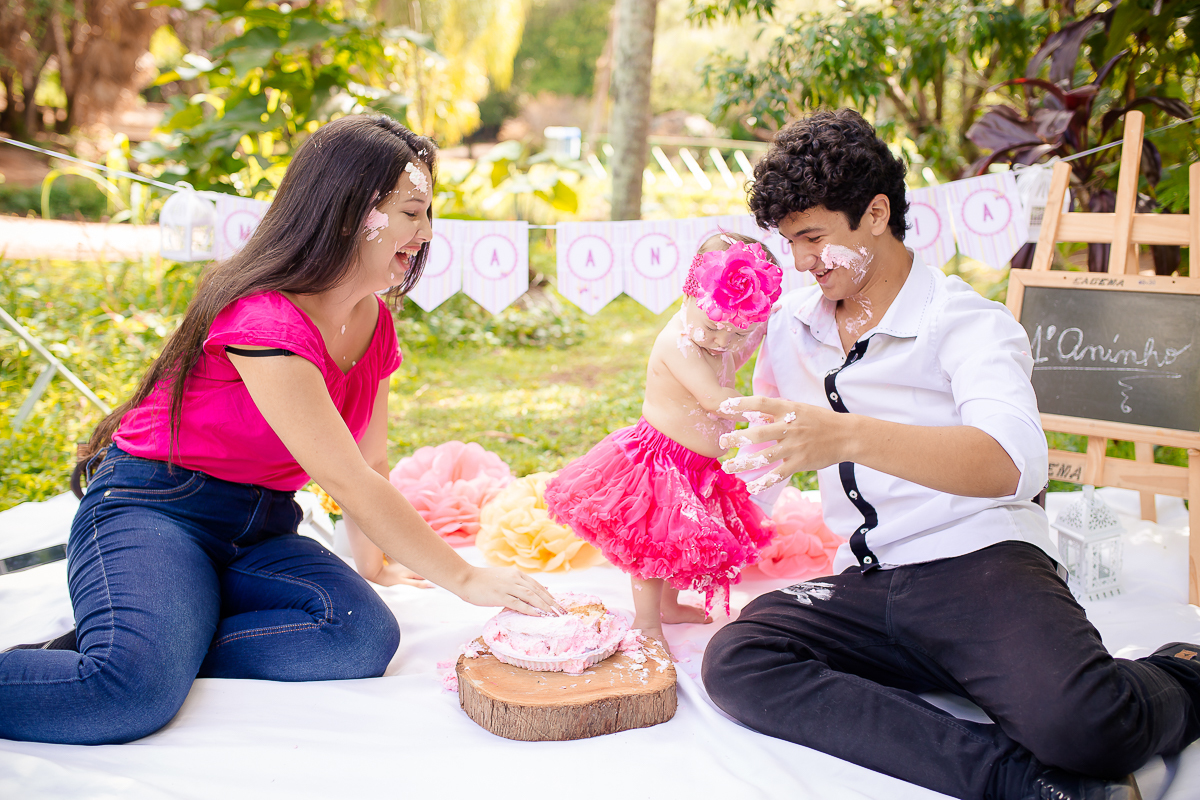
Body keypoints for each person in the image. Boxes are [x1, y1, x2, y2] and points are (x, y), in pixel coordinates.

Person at [0, 114, 562, 746]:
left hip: (259, 527)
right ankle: (140, 656)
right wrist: (465, 577)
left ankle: (162, 641)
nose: (425, 233)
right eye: (410, 212)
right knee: (127, 695)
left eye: (428, 213)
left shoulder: (374, 323)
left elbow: (371, 463)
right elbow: (345, 478)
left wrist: (374, 566)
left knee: (359, 635)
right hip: (157, 510)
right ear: (350, 212)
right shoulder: (265, 320)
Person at [701, 108, 1200, 800]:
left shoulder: (968, 325)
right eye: (790, 242)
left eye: (813, 236)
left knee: (1085, 727)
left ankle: (1180, 672)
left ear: (876, 214)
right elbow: (762, 448)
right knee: (738, 659)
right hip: (867, 583)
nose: (802, 262)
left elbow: (1012, 462)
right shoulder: (793, 328)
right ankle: (1026, 785)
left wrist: (846, 435)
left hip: (982, 567)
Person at [543, 233, 781, 655]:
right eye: (714, 327)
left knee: (677, 542)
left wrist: (758, 332)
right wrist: (763, 410)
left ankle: (669, 606)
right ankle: (647, 620)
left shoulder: (716, 335)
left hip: (696, 467)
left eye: (737, 329)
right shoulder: (678, 342)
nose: (723, 340)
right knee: (651, 545)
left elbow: (734, 356)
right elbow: (712, 398)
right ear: (689, 295)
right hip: (660, 460)